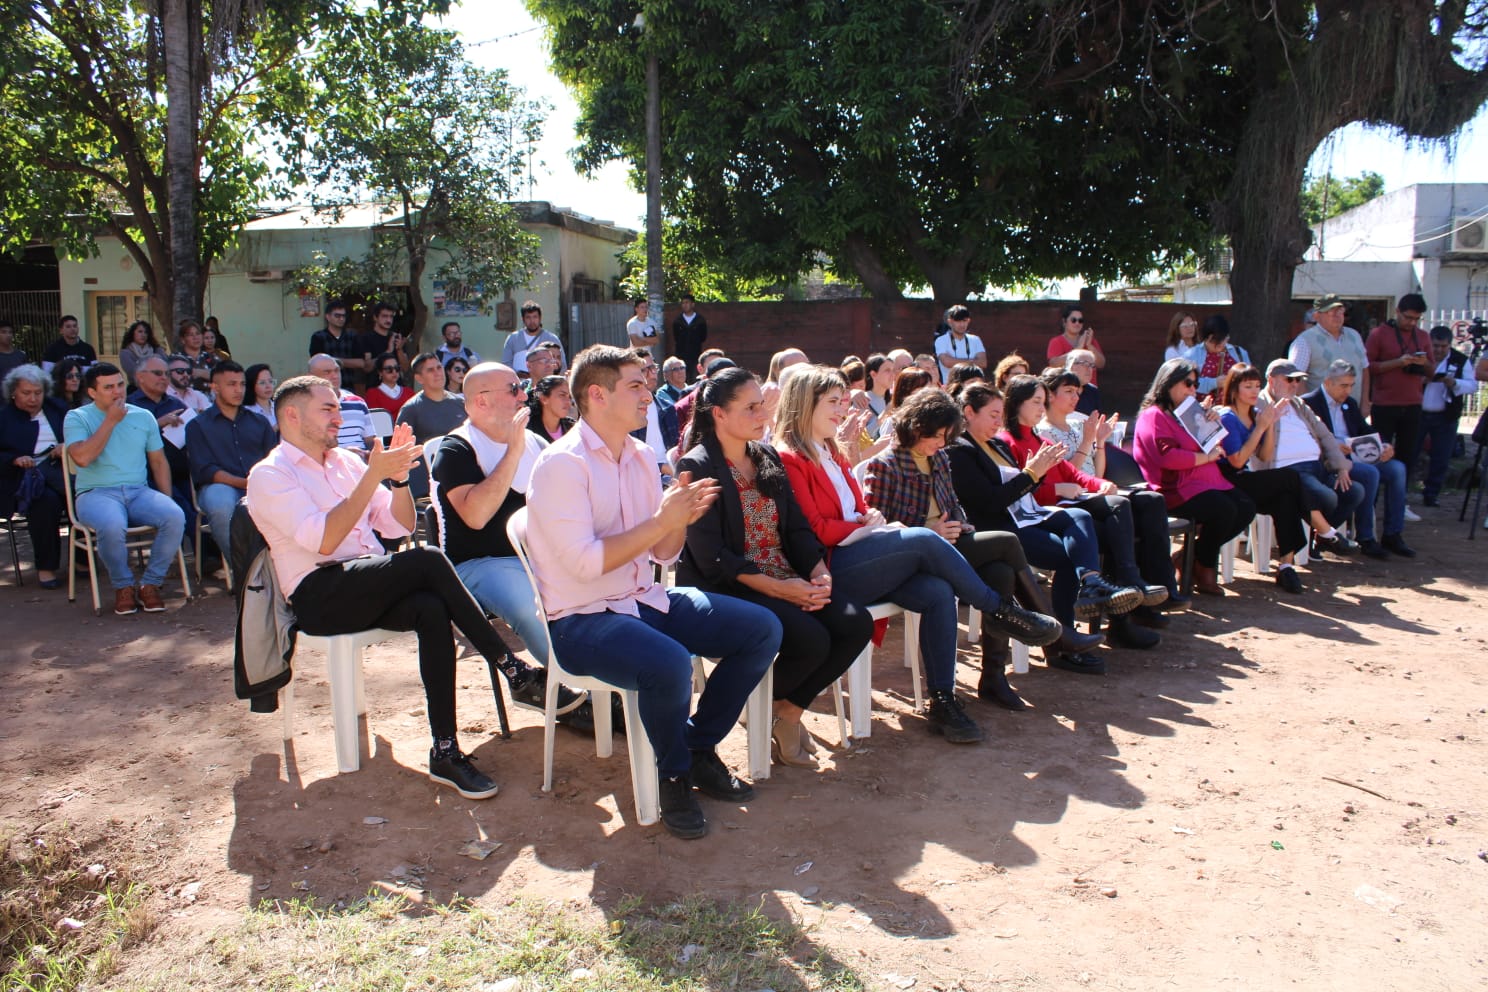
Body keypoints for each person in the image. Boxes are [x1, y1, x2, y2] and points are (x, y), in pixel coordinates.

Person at [525, 344, 782, 840]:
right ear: (597, 395)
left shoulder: (642, 455)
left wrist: (680, 520)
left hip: (644, 600)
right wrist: (664, 519)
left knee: (761, 628)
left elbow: (664, 555)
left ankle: (698, 749)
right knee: (668, 662)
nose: (649, 393)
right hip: (581, 619)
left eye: (647, 382)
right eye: (636, 385)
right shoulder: (561, 465)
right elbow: (584, 564)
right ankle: (673, 774)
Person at [247, 375, 517, 801]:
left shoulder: (348, 463)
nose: (339, 417)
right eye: (328, 409)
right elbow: (324, 540)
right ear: (291, 416)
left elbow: (399, 526)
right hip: (319, 595)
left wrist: (394, 481)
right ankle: (508, 664)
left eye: (338, 407)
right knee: (427, 559)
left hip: (366, 579)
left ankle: (445, 749)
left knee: (430, 606)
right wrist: (372, 475)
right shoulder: (270, 474)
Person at [774, 365, 1061, 743]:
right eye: (833, 402)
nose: (842, 410)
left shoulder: (831, 450)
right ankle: (999, 608)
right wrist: (867, 525)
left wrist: (868, 518)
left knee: (939, 592)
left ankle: (942, 699)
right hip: (827, 569)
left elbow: (859, 507)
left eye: (842, 401)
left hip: (865, 556)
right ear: (804, 404)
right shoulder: (790, 457)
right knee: (925, 540)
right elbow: (815, 530)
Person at [676, 367, 872, 766]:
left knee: (855, 623)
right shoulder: (699, 466)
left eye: (762, 405)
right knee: (812, 639)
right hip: (732, 586)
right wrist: (783, 589)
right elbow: (713, 557)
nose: (763, 415)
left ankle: (787, 710)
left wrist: (819, 573)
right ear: (719, 414)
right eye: (750, 408)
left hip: (786, 575)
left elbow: (797, 528)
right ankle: (759, 708)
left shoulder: (764, 455)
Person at [864, 388, 1074, 708]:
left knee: (1001, 570)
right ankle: (1041, 626)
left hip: (953, 543)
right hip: (914, 552)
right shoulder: (885, 464)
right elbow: (877, 527)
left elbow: (953, 504)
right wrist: (926, 529)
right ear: (915, 425)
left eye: (945, 436)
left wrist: (962, 524)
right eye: (934, 435)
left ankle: (993, 677)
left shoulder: (941, 458)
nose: (939, 443)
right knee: (1007, 541)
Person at [428, 362, 588, 725]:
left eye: (522, 387)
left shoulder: (536, 442)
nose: (523, 395)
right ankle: (583, 687)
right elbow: (476, 516)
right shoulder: (456, 448)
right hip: (479, 564)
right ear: (481, 402)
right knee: (536, 605)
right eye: (514, 388)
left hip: (539, 557)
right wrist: (512, 452)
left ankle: (605, 680)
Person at [946, 382, 1115, 676]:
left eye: (1001, 415)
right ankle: (1059, 641)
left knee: (1079, 517)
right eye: (993, 415)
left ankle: (1091, 583)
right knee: (1065, 556)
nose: (999, 422)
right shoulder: (960, 452)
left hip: (1025, 517)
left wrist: (1039, 472)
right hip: (998, 527)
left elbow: (1023, 489)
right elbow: (990, 502)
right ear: (969, 413)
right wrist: (1032, 473)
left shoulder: (996, 444)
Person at [999, 374, 1171, 639]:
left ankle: (1120, 613)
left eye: (1042, 402)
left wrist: (1097, 483)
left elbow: (1072, 473)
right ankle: (1104, 606)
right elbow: (1022, 492)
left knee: (1118, 525)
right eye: (1035, 402)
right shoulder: (1008, 442)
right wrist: (1057, 489)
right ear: (1017, 403)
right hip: (1043, 515)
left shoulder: (1038, 440)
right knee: (1113, 522)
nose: (1040, 408)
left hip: (1062, 510)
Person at [63, 362, 187, 615]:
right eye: (108, 387)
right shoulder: (78, 417)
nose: (118, 392)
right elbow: (82, 458)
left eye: (120, 384)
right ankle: (123, 586)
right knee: (111, 524)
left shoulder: (143, 416)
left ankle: (150, 584)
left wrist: (165, 500)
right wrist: (110, 421)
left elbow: (158, 461)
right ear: (92, 393)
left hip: (138, 491)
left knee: (174, 515)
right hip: (95, 493)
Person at [1132, 359, 1256, 596]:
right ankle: (1205, 567)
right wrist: (1206, 458)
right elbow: (1167, 457)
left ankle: (1190, 557)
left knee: (1245, 507)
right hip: (1173, 488)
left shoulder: (1187, 413)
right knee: (1224, 510)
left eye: (1195, 384)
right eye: (1187, 383)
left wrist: (1209, 423)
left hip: (1204, 481)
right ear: (1168, 383)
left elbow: (1214, 446)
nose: (1193, 390)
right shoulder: (1154, 415)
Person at [1302, 359, 1414, 558]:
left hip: (1358, 455)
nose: (1348, 391)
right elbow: (1305, 438)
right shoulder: (1309, 402)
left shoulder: (1350, 404)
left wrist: (1385, 445)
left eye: (1351, 385)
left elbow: (1366, 431)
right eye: (1343, 385)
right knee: (1369, 474)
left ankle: (1393, 534)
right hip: (1330, 462)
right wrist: (1331, 446)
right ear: (1328, 382)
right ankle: (1366, 537)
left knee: (1397, 469)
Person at [1215, 364, 1312, 593]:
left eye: (1257, 386)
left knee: (1286, 498)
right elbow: (1237, 461)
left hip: (1245, 478)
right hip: (1226, 479)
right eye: (1247, 386)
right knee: (1290, 477)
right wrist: (1260, 428)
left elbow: (1265, 456)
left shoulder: (1254, 415)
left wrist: (1269, 425)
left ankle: (1286, 566)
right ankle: (1322, 527)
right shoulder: (1227, 416)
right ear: (1234, 388)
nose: (1253, 391)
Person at [1255, 359, 1363, 558]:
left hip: (1316, 466)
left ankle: (1321, 537)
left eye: (1298, 381)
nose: (1295, 385)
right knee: (1327, 497)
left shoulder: (1299, 403)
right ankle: (1326, 535)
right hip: (1288, 472)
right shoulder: (1258, 403)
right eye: (1290, 380)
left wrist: (1340, 466)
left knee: (1354, 491)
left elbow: (1324, 435)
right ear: (1271, 380)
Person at [185, 361, 276, 560]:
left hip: (260, 483)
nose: (238, 390)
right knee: (221, 503)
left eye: (242, 384)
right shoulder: (198, 426)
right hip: (220, 486)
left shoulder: (259, 422)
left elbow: (274, 459)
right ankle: (243, 572)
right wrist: (245, 483)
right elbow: (205, 470)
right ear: (215, 387)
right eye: (231, 384)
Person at [0, 364, 68, 587]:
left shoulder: (57, 408)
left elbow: (80, 436)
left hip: (62, 470)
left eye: (38, 393)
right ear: (13, 392)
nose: (33, 398)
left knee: (83, 495)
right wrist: (15, 459)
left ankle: (83, 561)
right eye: (26, 393)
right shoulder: (5, 418)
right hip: (24, 479)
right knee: (45, 501)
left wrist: (66, 446)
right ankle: (46, 568)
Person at [1364, 293, 1430, 495]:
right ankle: (1373, 498)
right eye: (1408, 317)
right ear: (1397, 312)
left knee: (1408, 455)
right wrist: (1399, 362)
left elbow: (1432, 371)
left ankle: (1401, 500)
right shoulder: (1379, 334)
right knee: (1378, 453)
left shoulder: (1423, 337)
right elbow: (1368, 367)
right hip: (1384, 404)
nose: (1411, 323)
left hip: (1413, 404)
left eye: (1416, 319)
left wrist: (1422, 363)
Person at [127, 355, 197, 531]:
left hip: (182, 471)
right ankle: (181, 557)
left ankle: (205, 557)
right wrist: (158, 423)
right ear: (140, 376)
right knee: (183, 512)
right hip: (148, 475)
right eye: (158, 373)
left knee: (202, 510)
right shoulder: (129, 406)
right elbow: (127, 440)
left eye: (166, 374)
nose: (164, 378)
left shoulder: (175, 403)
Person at [1418, 324, 1476, 507]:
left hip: (1446, 415)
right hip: (1418, 413)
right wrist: (1423, 380)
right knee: (1410, 453)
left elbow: (1472, 385)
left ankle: (1432, 494)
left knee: (1441, 457)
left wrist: (1455, 383)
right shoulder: (1420, 358)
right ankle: (1402, 494)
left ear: (1450, 345)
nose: (1439, 350)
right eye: (1435, 346)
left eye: (1443, 347)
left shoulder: (1460, 360)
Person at [1289, 293, 1369, 407]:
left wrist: (1365, 402)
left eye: (1340, 310)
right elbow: (1295, 377)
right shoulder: (1305, 340)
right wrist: (1306, 409)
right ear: (1316, 316)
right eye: (1330, 311)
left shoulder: (1354, 335)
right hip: (1321, 412)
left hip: (1352, 409)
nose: (1337, 315)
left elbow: (1365, 369)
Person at [1035, 368, 1119, 477]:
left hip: (1094, 490)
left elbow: (1097, 474)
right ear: (1050, 395)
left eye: (1076, 391)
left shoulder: (1078, 424)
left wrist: (1100, 441)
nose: (1076, 397)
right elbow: (1065, 476)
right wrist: (1086, 442)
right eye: (1069, 391)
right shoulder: (1042, 432)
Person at [307, 354, 374, 452]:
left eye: (337, 370)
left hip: (362, 463)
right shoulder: (305, 407)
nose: (335, 376)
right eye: (327, 372)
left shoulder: (358, 403)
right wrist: (346, 456)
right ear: (311, 377)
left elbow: (370, 441)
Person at [1181, 314, 1249, 399]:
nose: (1218, 347)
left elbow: (1249, 380)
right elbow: (1186, 384)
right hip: (1201, 407)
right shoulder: (1191, 355)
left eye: (1222, 341)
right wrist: (1214, 382)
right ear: (1206, 339)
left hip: (1233, 408)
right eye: (1213, 342)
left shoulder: (1240, 353)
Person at [500, 301, 565, 376]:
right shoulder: (513, 338)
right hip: (518, 383)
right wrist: (517, 374)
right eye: (528, 317)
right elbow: (506, 364)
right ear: (523, 319)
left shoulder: (552, 338)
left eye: (535, 317)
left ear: (540, 318)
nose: (532, 321)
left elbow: (562, 365)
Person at [307, 299, 367, 378]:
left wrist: (332, 360)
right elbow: (317, 363)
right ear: (328, 317)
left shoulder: (352, 336)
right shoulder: (318, 337)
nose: (341, 319)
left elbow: (361, 363)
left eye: (343, 316)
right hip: (325, 383)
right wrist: (346, 362)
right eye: (337, 316)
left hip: (348, 383)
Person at [1047, 305, 1104, 385]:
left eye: (1080, 320)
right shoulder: (1056, 341)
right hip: (1067, 389)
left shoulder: (1090, 341)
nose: (1077, 323)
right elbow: (1054, 364)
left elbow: (1101, 364)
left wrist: (1089, 346)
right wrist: (1078, 349)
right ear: (1064, 321)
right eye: (1073, 320)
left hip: (1089, 390)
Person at [357, 302, 409, 389]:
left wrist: (399, 349)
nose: (388, 320)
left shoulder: (396, 337)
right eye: (384, 316)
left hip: (397, 388)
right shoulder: (366, 338)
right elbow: (367, 367)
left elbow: (405, 368)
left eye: (391, 316)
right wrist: (388, 351)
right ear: (375, 317)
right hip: (375, 388)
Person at [933, 304, 987, 384]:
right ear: (950, 322)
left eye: (964, 321)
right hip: (951, 387)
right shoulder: (941, 340)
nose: (962, 324)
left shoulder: (975, 339)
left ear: (968, 321)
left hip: (972, 387)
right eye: (958, 321)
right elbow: (946, 362)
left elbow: (983, 363)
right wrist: (974, 362)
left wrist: (954, 361)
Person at [118, 320, 166, 389]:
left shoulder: (157, 349)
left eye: (146, 332)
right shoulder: (125, 353)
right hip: (136, 388)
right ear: (132, 333)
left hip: (158, 386)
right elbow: (133, 373)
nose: (143, 335)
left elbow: (166, 367)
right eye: (140, 331)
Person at [364, 354, 414, 419]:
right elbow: (375, 420)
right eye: (389, 369)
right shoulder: (372, 394)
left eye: (397, 368)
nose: (394, 372)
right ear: (380, 372)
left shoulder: (409, 392)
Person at [526, 375, 575, 442]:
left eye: (569, 396)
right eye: (562, 395)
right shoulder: (527, 431)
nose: (568, 402)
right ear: (543, 399)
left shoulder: (572, 428)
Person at [670, 294, 708, 375]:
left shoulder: (700, 320)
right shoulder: (678, 321)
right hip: (681, 355)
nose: (685, 305)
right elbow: (676, 337)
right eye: (683, 303)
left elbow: (703, 337)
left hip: (695, 355)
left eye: (687, 303)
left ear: (692, 304)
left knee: (695, 377)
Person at [175, 319, 216, 392]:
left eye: (198, 333)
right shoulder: (176, 359)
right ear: (183, 340)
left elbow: (222, 377)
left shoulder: (212, 358)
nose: (195, 337)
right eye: (191, 335)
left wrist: (199, 372)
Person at [1064, 349, 1103, 414]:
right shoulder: (1058, 389)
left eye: (1092, 365)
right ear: (1071, 366)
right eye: (1085, 364)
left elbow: (1097, 419)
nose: (1090, 369)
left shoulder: (1093, 391)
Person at [243, 364, 277, 428]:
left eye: (270, 381)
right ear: (251, 386)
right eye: (262, 383)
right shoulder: (246, 412)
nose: (268, 386)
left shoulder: (279, 407)